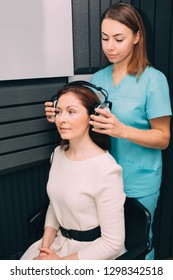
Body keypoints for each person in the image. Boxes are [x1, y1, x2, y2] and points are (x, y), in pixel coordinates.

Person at [44, 3, 172, 260]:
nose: (110, 46)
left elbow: (164, 138)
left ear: (137, 37)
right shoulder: (98, 80)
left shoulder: (154, 80)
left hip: (139, 180)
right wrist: (60, 113)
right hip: (99, 179)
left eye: (118, 38)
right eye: (104, 38)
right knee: (106, 247)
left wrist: (122, 130)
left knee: (138, 244)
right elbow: (83, 118)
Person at [21, 83, 126, 260]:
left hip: (92, 253)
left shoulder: (107, 170)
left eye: (71, 112)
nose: (61, 119)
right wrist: (44, 248)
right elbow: (55, 205)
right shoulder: (58, 155)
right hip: (59, 243)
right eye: (59, 111)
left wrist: (60, 263)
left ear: (92, 117)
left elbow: (112, 243)